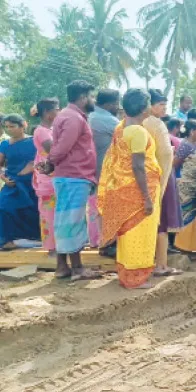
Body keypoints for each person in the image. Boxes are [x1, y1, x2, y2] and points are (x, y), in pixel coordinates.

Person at [98, 89, 162, 289]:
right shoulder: (139, 132)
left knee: (127, 234)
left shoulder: (121, 126)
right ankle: (135, 278)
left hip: (126, 189)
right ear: (144, 109)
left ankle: (127, 273)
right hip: (140, 191)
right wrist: (147, 198)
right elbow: (137, 166)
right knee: (140, 234)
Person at [39, 80, 101, 281]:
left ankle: (64, 267)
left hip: (72, 176)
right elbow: (63, 147)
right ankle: (75, 268)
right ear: (83, 97)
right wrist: (50, 163)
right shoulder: (74, 118)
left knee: (67, 221)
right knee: (72, 221)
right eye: (91, 96)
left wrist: (51, 164)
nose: (93, 100)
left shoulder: (69, 115)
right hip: (73, 176)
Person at [144, 89, 183, 277]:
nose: (164, 108)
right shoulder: (156, 124)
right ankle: (161, 264)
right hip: (161, 175)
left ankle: (146, 262)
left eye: (165, 105)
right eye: (160, 104)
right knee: (163, 223)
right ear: (149, 105)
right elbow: (167, 154)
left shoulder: (134, 122)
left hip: (144, 177)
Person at [0, 114, 40, 250]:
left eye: (12, 126)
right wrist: (4, 178)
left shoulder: (34, 141)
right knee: (4, 206)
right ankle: (6, 240)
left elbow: (41, 160)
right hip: (12, 183)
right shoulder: (4, 144)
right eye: (6, 127)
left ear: (23, 125)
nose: (8, 129)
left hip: (32, 183)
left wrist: (31, 167)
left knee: (32, 212)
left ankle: (35, 238)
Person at [88, 89, 121, 250]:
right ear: (109, 104)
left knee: (95, 208)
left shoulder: (90, 116)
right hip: (106, 172)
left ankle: (98, 240)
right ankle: (107, 242)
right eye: (117, 104)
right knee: (106, 208)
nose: (118, 107)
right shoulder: (108, 120)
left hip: (92, 170)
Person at [173, 120, 196, 255]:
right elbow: (175, 164)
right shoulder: (185, 145)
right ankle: (182, 246)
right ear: (192, 131)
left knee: (194, 214)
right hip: (186, 186)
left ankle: (191, 246)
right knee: (186, 214)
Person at [32, 99, 60, 254]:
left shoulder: (52, 129)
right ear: (48, 113)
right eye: (57, 109)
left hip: (54, 174)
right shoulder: (41, 131)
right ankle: (51, 248)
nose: (60, 111)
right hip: (47, 177)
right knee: (48, 213)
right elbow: (54, 151)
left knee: (57, 212)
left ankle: (59, 245)